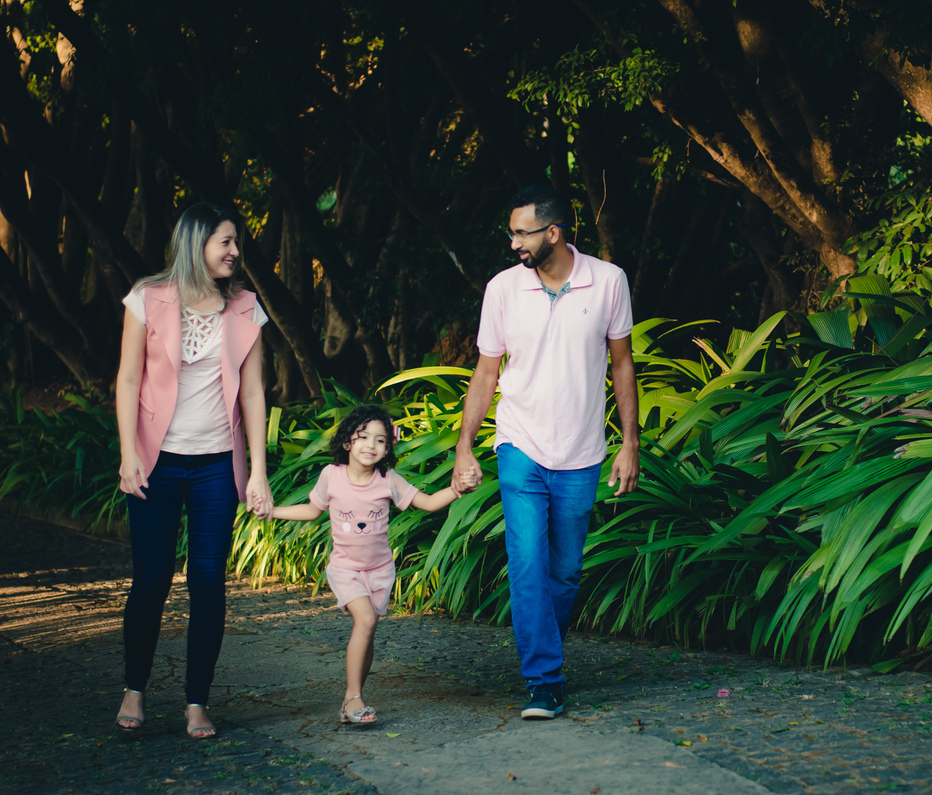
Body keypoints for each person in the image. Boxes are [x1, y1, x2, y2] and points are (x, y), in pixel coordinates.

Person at [452, 185, 640, 720]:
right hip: (520, 443)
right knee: (528, 561)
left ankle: (543, 653)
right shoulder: (503, 290)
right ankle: (545, 680)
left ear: (552, 232)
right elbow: (486, 371)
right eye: (511, 233)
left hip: (582, 450)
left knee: (564, 572)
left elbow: (622, 364)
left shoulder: (607, 281)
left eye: (521, 233)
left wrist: (630, 443)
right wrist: (465, 445)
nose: (514, 243)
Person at [113, 203, 273, 739]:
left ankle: (196, 703)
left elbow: (253, 393)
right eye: (225, 241)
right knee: (152, 578)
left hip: (214, 465)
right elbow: (128, 381)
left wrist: (257, 473)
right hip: (156, 462)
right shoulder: (148, 298)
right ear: (195, 244)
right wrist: (127, 453)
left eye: (235, 242)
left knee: (208, 581)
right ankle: (134, 689)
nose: (234, 251)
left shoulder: (246, 307)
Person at [269, 405, 462, 724]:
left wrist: (456, 490)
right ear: (347, 442)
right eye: (362, 437)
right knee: (367, 620)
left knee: (368, 629)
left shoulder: (388, 480)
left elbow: (426, 504)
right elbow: (310, 511)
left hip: (380, 570)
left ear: (388, 448)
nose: (370, 445)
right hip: (345, 568)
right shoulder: (331, 475)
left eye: (380, 440)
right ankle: (353, 699)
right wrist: (272, 511)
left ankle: (352, 699)